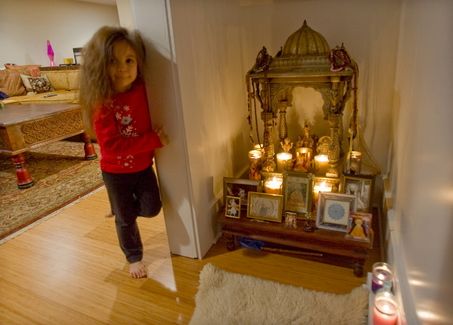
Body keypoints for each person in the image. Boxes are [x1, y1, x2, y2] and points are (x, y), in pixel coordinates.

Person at [79, 26, 168, 279]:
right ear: (99, 66)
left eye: (129, 60)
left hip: (142, 167)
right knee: (126, 219)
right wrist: (153, 140)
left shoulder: (142, 89)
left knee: (152, 208)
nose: (123, 68)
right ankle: (133, 256)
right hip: (115, 172)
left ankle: (119, 208)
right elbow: (113, 147)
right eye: (113, 62)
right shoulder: (102, 102)